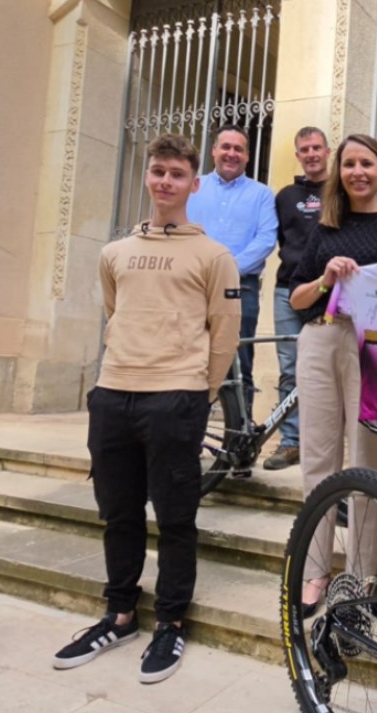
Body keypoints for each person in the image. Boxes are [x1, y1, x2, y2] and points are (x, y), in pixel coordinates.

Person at [53, 134, 241, 683]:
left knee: (176, 518)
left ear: (193, 183)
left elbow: (223, 334)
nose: (165, 182)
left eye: (176, 174)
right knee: (118, 513)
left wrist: (197, 394)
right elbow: (117, 312)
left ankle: (172, 623)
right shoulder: (115, 253)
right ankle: (118, 613)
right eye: (158, 171)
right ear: (148, 176)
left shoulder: (214, 256)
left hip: (175, 397)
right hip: (114, 394)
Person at [287, 134, 377, 607]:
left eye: (367, 163)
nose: (358, 172)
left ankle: (363, 574)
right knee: (319, 460)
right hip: (322, 337)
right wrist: (325, 278)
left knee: (366, 461)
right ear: (338, 172)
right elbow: (296, 298)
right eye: (349, 164)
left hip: (373, 347)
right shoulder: (325, 228)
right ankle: (316, 570)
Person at [187, 123, 278, 417]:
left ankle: (239, 434)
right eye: (225, 147)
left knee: (240, 363)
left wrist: (224, 270)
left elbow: (266, 239)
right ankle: (189, 431)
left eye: (238, 149)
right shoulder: (193, 187)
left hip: (242, 288)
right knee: (190, 359)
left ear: (248, 156)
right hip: (192, 288)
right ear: (214, 151)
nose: (231, 153)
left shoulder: (262, 194)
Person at [264, 127, 331, 471]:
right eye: (304, 149)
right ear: (298, 154)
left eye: (317, 147)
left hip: (329, 293)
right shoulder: (286, 195)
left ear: (327, 151)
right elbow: (279, 239)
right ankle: (291, 442)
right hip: (287, 290)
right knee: (290, 369)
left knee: (330, 370)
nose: (311, 154)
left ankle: (325, 442)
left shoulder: (341, 191)